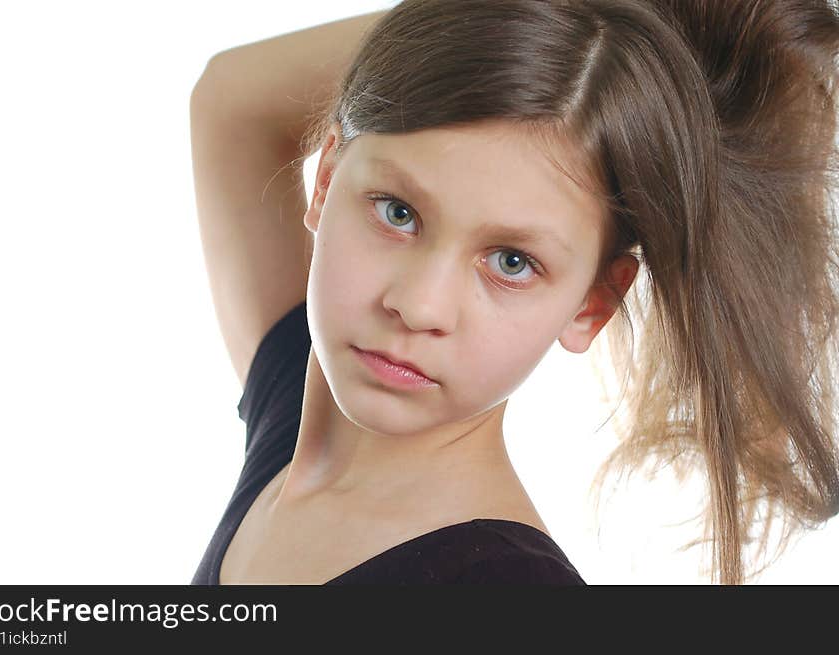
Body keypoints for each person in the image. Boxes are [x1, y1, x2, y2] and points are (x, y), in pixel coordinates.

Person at [188, 0, 839, 585]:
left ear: (592, 304)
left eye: (511, 261)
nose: (419, 306)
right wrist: (547, 22)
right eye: (397, 213)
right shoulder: (290, 420)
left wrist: (619, 62)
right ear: (327, 179)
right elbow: (230, 98)